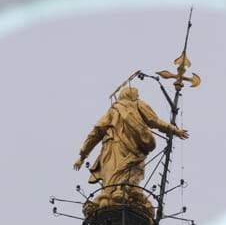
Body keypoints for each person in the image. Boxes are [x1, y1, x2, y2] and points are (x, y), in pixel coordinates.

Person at [74, 86, 188, 214]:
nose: (138, 96)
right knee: (125, 180)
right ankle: (118, 198)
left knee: (112, 183)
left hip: (110, 150)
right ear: (132, 95)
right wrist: (173, 130)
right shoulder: (137, 104)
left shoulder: (113, 110)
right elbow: (153, 120)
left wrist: (83, 156)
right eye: (136, 94)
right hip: (132, 150)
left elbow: (96, 133)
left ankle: (112, 198)